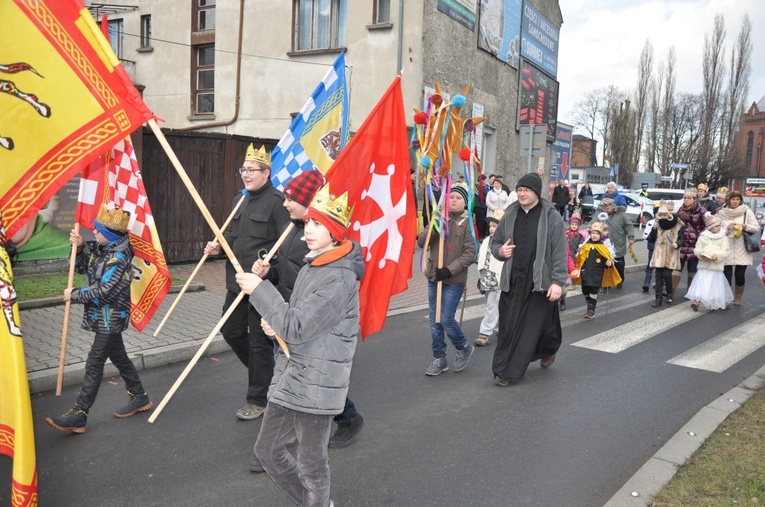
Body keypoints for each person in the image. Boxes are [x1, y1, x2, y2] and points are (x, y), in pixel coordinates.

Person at [235, 184, 363, 507]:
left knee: (312, 465)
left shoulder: (340, 277)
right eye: (309, 223)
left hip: (317, 384)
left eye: (318, 225)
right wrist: (273, 326)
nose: (308, 230)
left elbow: (298, 326)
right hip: (292, 377)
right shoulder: (313, 265)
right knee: (267, 450)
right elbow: (294, 320)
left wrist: (260, 292)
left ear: (334, 233)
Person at [203, 144, 291, 421]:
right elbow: (233, 237)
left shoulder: (278, 202)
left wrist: (270, 270)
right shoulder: (238, 200)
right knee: (231, 331)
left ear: (266, 173)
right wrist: (218, 248)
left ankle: (258, 398)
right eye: (243, 169)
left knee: (259, 342)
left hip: (262, 285)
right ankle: (262, 375)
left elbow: (286, 247)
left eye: (252, 170)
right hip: (236, 282)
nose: (245, 174)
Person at [45, 205, 152, 433]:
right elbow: (83, 268)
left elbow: (105, 290)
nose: (93, 232)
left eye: (97, 230)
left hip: (110, 317)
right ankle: (140, 396)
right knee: (120, 358)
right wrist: (80, 248)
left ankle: (79, 414)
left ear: (110, 235)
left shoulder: (119, 257)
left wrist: (73, 295)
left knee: (94, 363)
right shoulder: (103, 250)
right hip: (102, 316)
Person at [490, 173, 567, 386]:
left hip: (538, 283)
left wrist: (558, 282)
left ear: (536, 192)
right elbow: (495, 243)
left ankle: (507, 372)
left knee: (527, 330)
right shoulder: (510, 213)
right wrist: (500, 251)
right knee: (508, 326)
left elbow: (560, 250)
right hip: (513, 281)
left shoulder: (551, 216)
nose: (522, 193)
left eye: (527, 190)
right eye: (520, 189)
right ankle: (542, 352)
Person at [418, 183, 476, 376]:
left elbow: (470, 254)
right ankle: (439, 357)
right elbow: (421, 242)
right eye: (451, 197)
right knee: (435, 321)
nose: (453, 200)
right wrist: (434, 227)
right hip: (434, 276)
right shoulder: (439, 218)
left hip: (453, 280)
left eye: (458, 198)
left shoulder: (467, 223)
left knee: (446, 319)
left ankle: (463, 347)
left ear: (465, 202)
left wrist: (449, 271)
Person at [717, 190, 761, 305]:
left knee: (740, 275)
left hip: (743, 247)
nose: (735, 202)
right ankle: (726, 297)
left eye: (737, 199)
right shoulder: (722, 213)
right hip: (727, 247)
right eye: (733, 199)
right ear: (728, 200)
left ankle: (738, 296)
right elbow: (716, 229)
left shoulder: (747, 212)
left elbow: (756, 227)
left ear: (740, 200)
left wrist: (745, 225)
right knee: (726, 275)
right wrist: (727, 228)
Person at [572, 221, 621, 319]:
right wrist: (578, 257)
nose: (594, 236)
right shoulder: (585, 246)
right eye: (593, 233)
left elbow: (608, 260)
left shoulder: (603, 247)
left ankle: (591, 310)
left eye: (597, 234)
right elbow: (581, 259)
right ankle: (589, 302)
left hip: (597, 274)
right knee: (585, 290)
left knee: (594, 291)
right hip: (585, 273)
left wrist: (609, 263)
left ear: (600, 235)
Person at [685, 213, 733, 311]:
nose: (718, 228)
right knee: (701, 283)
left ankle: (718, 301)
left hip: (716, 266)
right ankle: (696, 301)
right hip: (704, 265)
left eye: (719, 225)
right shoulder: (703, 237)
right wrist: (701, 254)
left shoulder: (723, 237)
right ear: (710, 228)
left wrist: (717, 256)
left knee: (714, 284)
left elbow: (726, 250)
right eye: (716, 226)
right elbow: (697, 248)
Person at [475, 208, 505, 347]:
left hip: (498, 278)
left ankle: (485, 332)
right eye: (491, 226)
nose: (492, 229)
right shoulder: (487, 240)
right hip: (486, 278)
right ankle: (503, 326)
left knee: (492, 305)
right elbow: (482, 258)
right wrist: (480, 276)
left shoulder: (505, 241)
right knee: (492, 304)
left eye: (495, 226)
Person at [648, 201, 684, 308]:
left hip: (671, 253)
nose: (663, 216)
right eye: (661, 214)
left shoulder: (678, 224)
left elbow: (683, 238)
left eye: (665, 214)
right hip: (659, 253)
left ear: (670, 214)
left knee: (667, 275)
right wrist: (654, 229)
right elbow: (651, 239)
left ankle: (669, 293)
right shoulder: (658, 224)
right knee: (658, 276)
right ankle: (658, 298)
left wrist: (677, 244)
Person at [675, 188, 706, 295]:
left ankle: (691, 292)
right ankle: (671, 292)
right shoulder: (680, 210)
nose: (686, 200)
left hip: (695, 245)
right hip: (681, 243)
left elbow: (706, 227)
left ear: (695, 199)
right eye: (685, 197)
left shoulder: (702, 211)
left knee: (692, 271)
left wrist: (699, 236)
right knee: (676, 268)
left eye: (689, 198)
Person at [600, 197, 634, 288]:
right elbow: (593, 223)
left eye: (607, 208)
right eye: (604, 208)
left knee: (619, 264)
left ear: (613, 207)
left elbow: (629, 226)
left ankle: (620, 279)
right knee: (606, 263)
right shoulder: (601, 214)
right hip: (605, 243)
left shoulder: (621, 214)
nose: (605, 210)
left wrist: (631, 237)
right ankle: (607, 282)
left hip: (618, 242)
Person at [641, 216, 656, 292]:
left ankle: (659, 283)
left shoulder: (666, 222)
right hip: (652, 248)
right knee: (650, 265)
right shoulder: (651, 223)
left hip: (662, 249)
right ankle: (646, 283)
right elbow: (646, 235)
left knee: (660, 267)